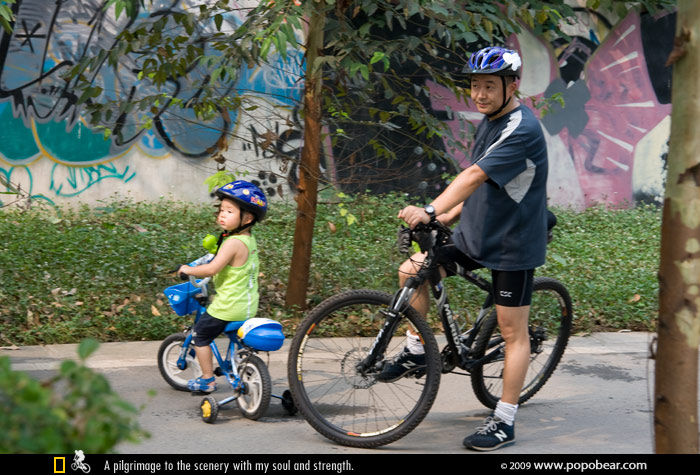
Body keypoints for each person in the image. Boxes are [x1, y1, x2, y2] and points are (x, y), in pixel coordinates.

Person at [385, 46, 549, 451]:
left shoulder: (521, 128)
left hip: (513, 242)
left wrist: (429, 209)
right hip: (477, 233)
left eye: (489, 86)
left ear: (512, 86)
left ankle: (504, 420)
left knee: (513, 331)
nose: (479, 94)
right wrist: (447, 218)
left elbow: (474, 175)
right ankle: (417, 349)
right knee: (412, 271)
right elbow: (482, 183)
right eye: (475, 86)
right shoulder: (490, 122)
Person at [178, 180, 267, 393]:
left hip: (228, 307)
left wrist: (187, 269)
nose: (222, 215)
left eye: (229, 211)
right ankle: (238, 364)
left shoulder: (232, 243)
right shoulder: (247, 240)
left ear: (247, 218)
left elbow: (211, 269)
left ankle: (207, 379)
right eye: (221, 210)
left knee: (201, 336)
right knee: (232, 335)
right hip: (247, 307)